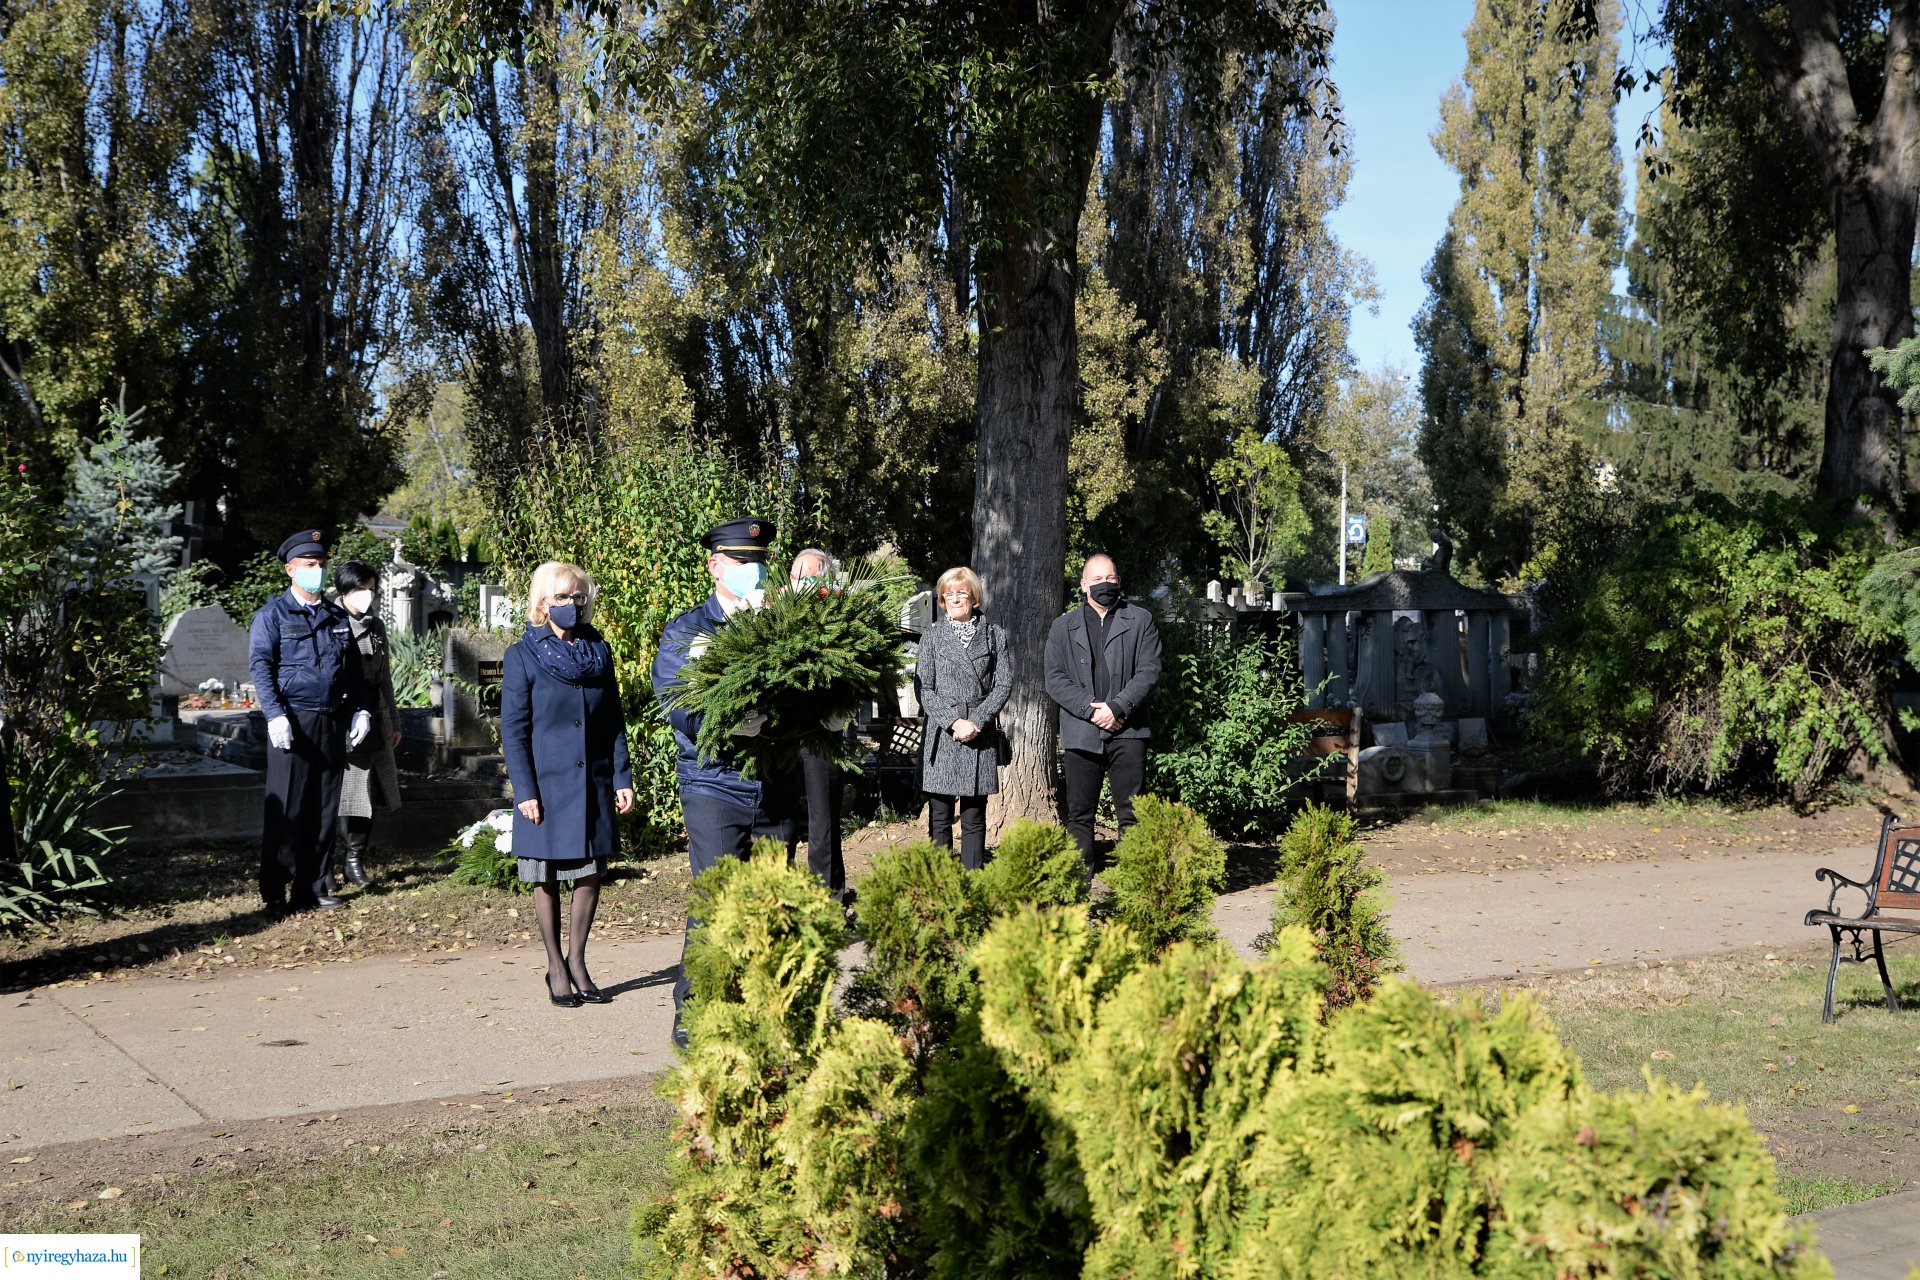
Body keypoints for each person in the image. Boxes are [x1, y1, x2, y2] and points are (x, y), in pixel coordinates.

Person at [652, 516, 800, 1047]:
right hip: (714, 783)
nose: (753, 573)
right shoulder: (689, 630)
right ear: (715, 566)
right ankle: (695, 1011)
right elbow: (679, 704)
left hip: (775, 784)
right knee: (715, 902)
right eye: (743, 563)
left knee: (771, 904)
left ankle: (766, 1010)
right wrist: (739, 720)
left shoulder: (784, 623)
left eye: (759, 564)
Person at [501, 561, 634, 1008]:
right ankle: (555, 967)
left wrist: (622, 776)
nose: (571, 606)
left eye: (578, 597)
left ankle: (578, 960)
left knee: (590, 872)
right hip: (547, 785)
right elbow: (514, 730)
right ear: (542, 603)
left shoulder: (599, 650)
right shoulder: (521, 655)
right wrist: (525, 792)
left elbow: (613, 719)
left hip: (594, 780)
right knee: (546, 876)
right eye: (561, 598)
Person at [249, 530, 372, 917]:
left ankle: (313, 885)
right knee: (287, 808)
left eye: (320, 565)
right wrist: (275, 715)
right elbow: (261, 668)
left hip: (332, 720)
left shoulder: (336, 617)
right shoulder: (272, 616)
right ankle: (274, 891)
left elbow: (354, 672)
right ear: (290, 570)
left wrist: (362, 710)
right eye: (309, 565)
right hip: (293, 721)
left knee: (323, 807)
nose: (317, 571)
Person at [1044, 554, 1162, 867]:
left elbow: (1149, 670)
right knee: (1080, 815)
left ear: (1119, 581)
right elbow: (1054, 678)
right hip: (1081, 733)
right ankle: (1080, 888)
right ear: (1083, 585)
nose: (1104, 585)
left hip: (1130, 729)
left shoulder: (1140, 620)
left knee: (1132, 814)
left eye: (1110, 578)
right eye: (1097, 580)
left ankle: (1134, 884)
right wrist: (1092, 710)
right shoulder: (1062, 627)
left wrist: (1118, 706)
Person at [916, 566, 1010, 870]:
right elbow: (924, 689)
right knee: (940, 816)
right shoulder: (931, 636)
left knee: (974, 815)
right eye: (948, 593)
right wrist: (954, 721)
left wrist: (978, 720)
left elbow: (1004, 684)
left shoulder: (994, 635)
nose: (955, 598)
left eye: (961, 592)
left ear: (974, 596)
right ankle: (940, 882)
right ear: (942, 599)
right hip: (943, 734)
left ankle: (973, 880)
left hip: (979, 733)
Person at [331, 560, 402, 891]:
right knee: (339, 793)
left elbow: (384, 676)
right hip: (342, 718)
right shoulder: (330, 622)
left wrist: (395, 719)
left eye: (371, 590)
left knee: (366, 793)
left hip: (375, 717)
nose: (367, 596)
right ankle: (326, 863)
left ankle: (354, 861)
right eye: (361, 590)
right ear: (344, 591)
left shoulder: (376, 626)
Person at [789, 547, 847, 900]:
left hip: (822, 731)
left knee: (823, 818)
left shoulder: (839, 612)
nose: (800, 582)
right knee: (783, 818)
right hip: (782, 729)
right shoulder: (774, 610)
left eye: (807, 576)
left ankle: (826, 898)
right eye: (796, 575)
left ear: (825, 579)